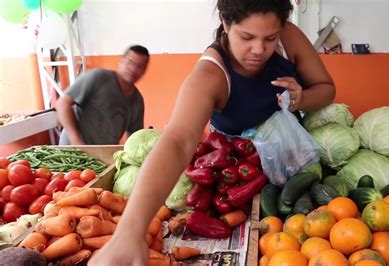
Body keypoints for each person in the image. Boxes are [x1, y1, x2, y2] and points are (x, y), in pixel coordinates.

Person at [89, 0, 335, 264]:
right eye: (246, 37)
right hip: (241, 181)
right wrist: (130, 233)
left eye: (270, 38)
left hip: (291, 163)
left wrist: (301, 99)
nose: (259, 50)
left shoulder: (289, 38)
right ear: (226, 24)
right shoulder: (211, 74)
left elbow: (326, 88)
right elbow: (178, 141)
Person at [56, 45, 150, 145]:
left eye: (140, 66)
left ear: (144, 70)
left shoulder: (137, 101)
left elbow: (135, 140)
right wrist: (76, 140)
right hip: (72, 152)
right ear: (121, 61)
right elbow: (62, 103)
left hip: (102, 156)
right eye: (130, 62)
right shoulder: (98, 77)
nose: (133, 69)